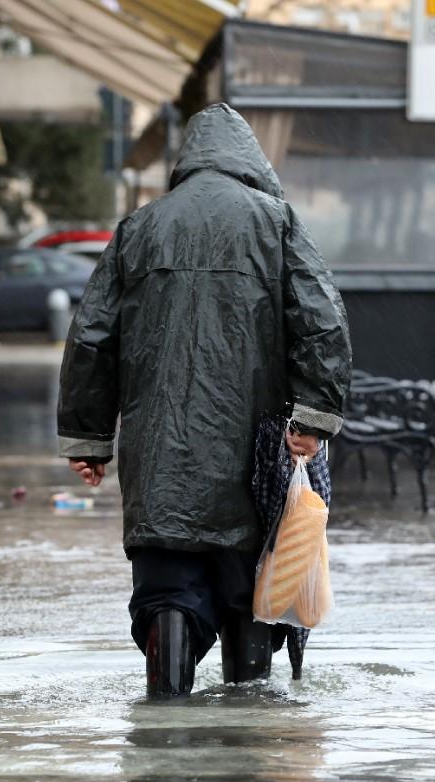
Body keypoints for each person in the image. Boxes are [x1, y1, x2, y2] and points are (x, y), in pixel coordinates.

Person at [57, 103, 352, 698]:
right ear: (251, 162)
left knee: (167, 586)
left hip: (157, 453)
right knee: (251, 592)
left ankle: (164, 714)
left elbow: (92, 338)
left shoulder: (137, 228)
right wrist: (313, 418)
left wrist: (90, 441)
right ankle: (245, 725)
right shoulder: (277, 222)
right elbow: (322, 323)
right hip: (254, 451)